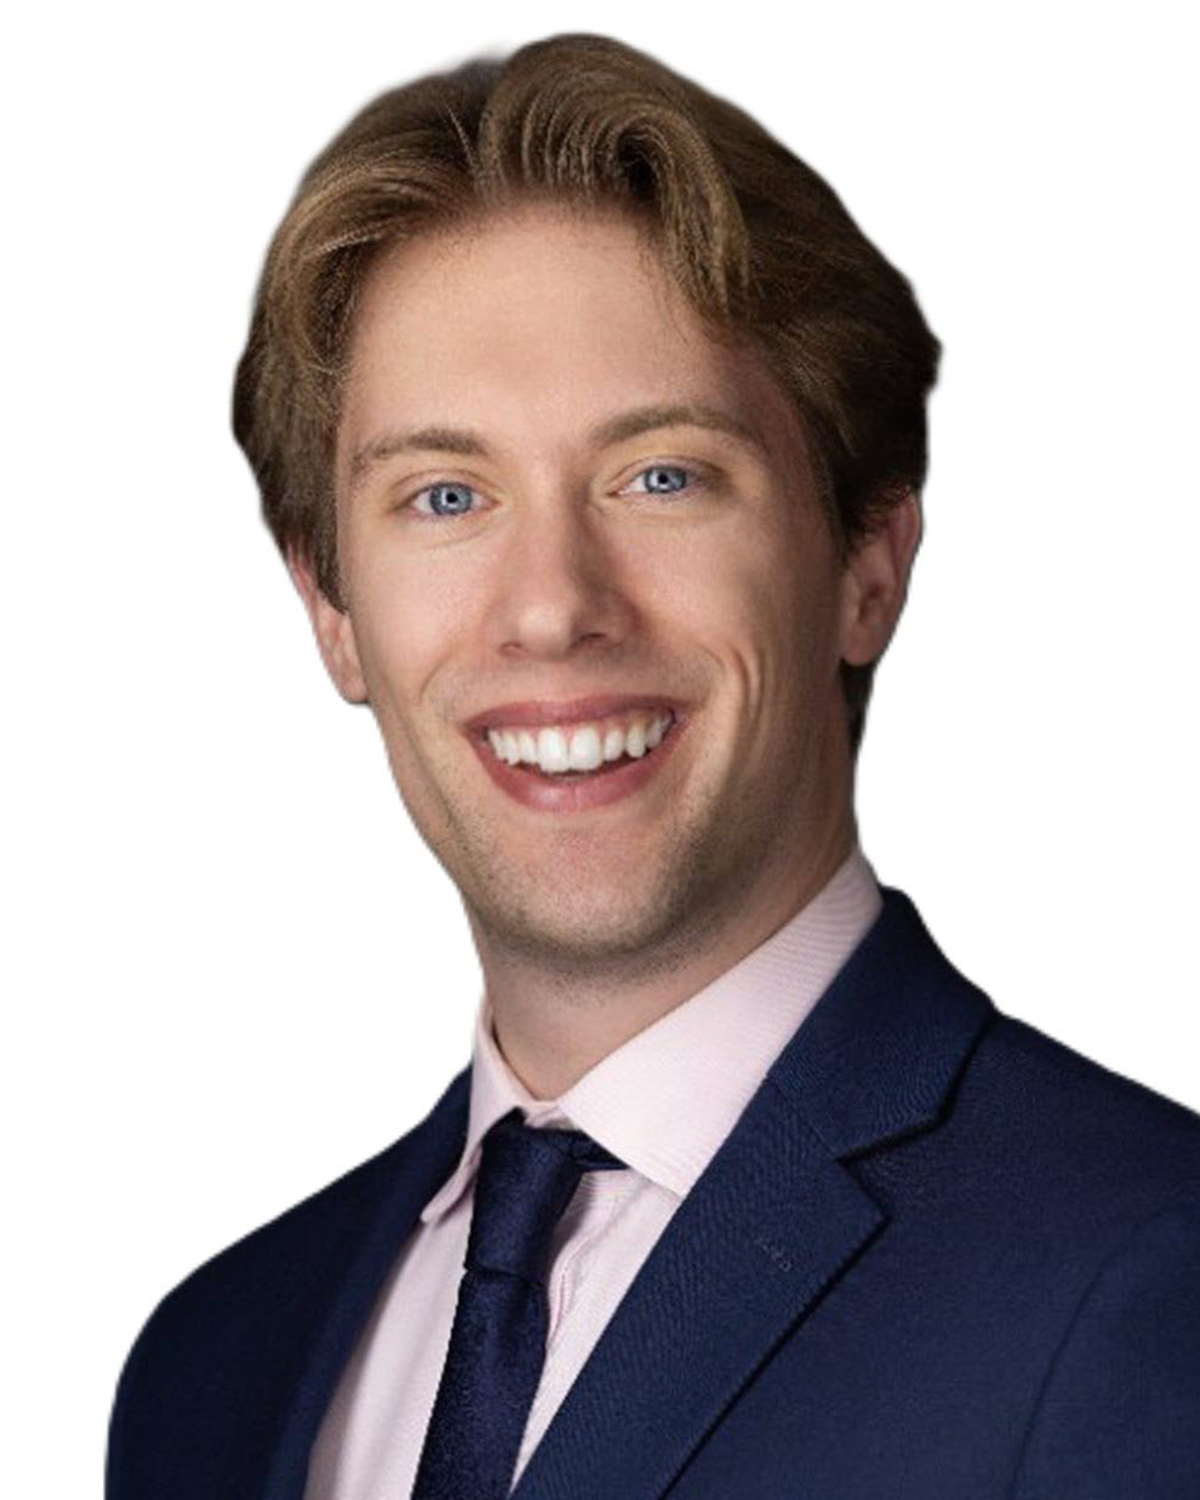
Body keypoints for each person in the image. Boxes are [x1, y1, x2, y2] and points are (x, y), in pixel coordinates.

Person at [106, 31, 1200, 1500]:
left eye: (662, 476)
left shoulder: (1148, 1282)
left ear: (867, 563)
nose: (553, 605)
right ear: (331, 609)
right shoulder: (208, 1373)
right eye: (446, 495)